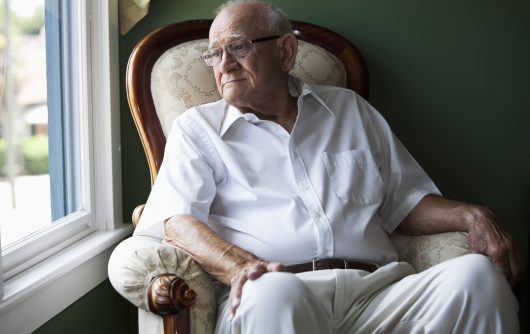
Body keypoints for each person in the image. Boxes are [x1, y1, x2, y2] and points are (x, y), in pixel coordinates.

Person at [134, 1, 523, 333]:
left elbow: (403, 201)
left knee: (478, 277)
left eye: (237, 47)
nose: (224, 64)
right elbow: (176, 221)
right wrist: (240, 267)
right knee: (274, 291)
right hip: (280, 288)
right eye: (214, 53)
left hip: (377, 291)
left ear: (285, 52)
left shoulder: (349, 110)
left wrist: (473, 214)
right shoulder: (198, 129)